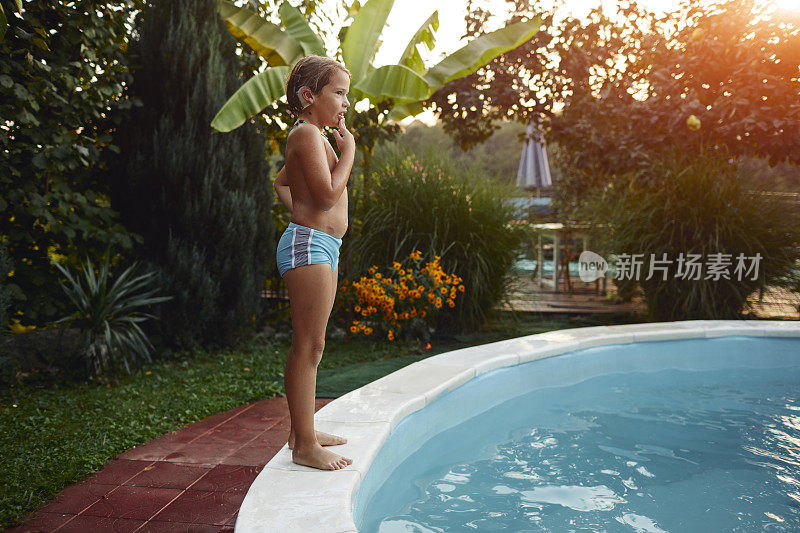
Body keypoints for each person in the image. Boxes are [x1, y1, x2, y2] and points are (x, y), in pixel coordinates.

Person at [272, 55, 355, 471]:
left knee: (314, 345)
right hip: (310, 246)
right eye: (338, 93)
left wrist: (301, 214)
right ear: (309, 96)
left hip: (319, 244)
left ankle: (302, 430)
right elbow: (325, 196)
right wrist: (349, 154)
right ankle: (305, 444)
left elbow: (282, 182)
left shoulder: (311, 137)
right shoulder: (306, 134)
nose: (345, 102)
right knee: (308, 346)